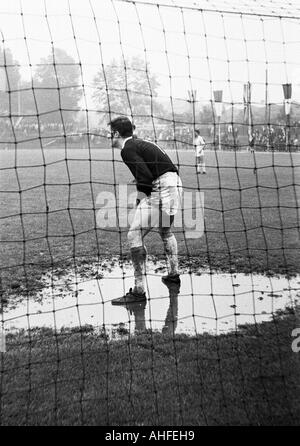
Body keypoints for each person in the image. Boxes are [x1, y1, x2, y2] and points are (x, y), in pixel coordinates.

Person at [108, 117, 183, 305]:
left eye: (111, 133)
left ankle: (139, 291)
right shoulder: (139, 143)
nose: (109, 136)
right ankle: (173, 275)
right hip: (174, 184)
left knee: (134, 235)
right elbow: (150, 171)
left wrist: (140, 200)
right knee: (165, 231)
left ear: (116, 133)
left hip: (162, 188)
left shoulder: (127, 149)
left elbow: (146, 177)